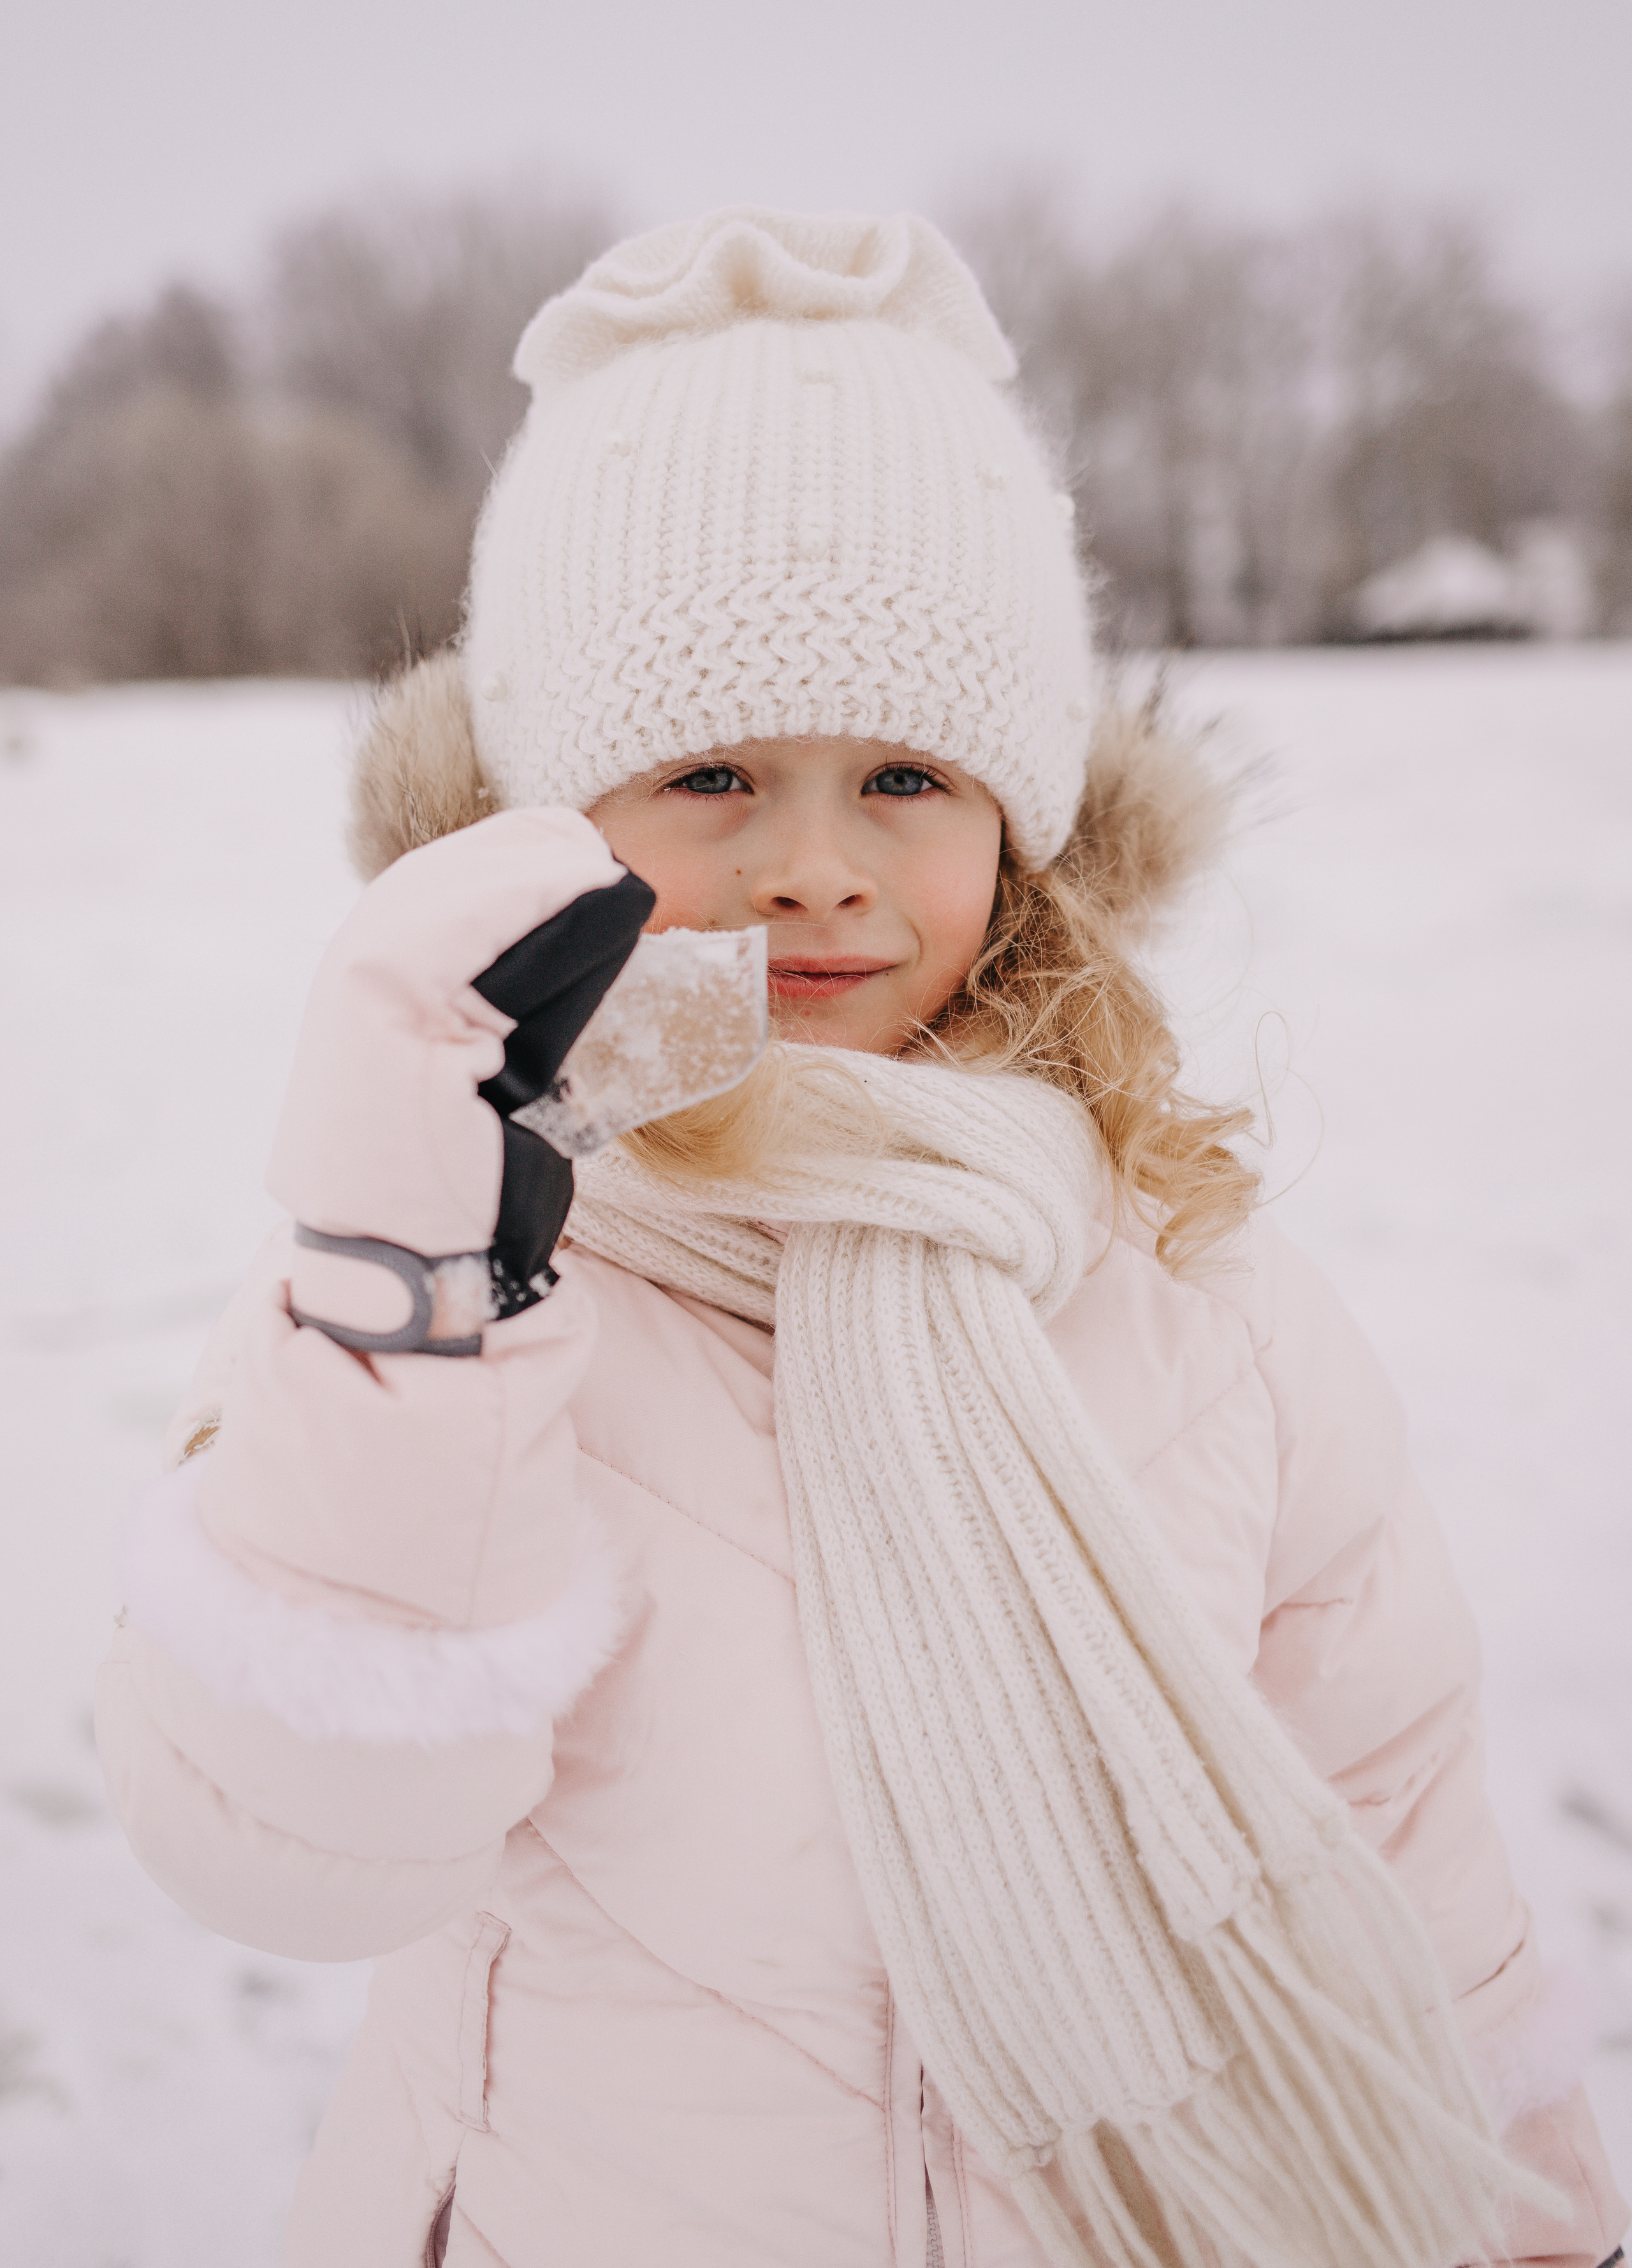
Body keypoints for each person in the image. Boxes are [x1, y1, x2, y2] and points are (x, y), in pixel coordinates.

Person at [96, 208, 1626, 2268]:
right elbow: (290, 1849)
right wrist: (419, 1280)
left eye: (904, 775)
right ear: (550, 820)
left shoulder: (1200, 1303)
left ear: (1023, 825)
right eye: (712, 770)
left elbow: (1406, 1866)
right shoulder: (444, 1286)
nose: (814, 870)